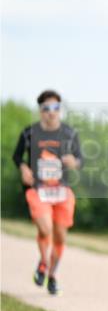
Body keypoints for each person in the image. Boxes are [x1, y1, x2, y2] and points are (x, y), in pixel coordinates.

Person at [12, 90, 83, 296]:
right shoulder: (29, 133)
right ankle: (43, 262)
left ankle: (52, 275)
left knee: (60, 236)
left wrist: (74, 162)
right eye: (47, 108)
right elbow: (17, 157)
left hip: (62, 191)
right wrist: (24, 168)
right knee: (45, 228)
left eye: (56, 108)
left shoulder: (70, 134)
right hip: (38, 189)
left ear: (60, 110)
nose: (51, 113)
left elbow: (80, 159)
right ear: (40, 110)